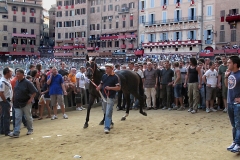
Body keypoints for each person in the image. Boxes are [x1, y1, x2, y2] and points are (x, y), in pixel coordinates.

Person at [9, 69, 38, 138]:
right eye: (16, 74)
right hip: (17, 103)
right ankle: (16, 132)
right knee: (17, 118)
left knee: (28, 117)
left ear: (22, 74)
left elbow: (34, 92)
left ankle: (30, 129)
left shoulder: (28, 82)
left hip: (26, 102)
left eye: (18, 74)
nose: (17, 75)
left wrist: (30, 99)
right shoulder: (16, 82)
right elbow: (15, 91)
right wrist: (13, 98)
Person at [96, 63, 120, 134]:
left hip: (111, 97)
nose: (106, 69)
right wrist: (99, 87)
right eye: (106, 68)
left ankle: (107, 127)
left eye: (107, 68)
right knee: (105, 111)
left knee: (108, 112)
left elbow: (118, 88)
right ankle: (110, 123)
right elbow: (102, 83)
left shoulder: (115, 77)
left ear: (111, 68)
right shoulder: (104, 76)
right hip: (104, 96)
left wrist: (110, 88)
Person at [225, 56, 240, 153]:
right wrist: (226, 76)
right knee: (234, 125)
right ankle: (235, 142)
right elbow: (227, 86)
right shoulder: (230, 73)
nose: (227, 64)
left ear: (235, 64)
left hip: (237, 104)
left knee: (239, 125)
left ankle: (238, 144)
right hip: (230, 102)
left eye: (229, 62)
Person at [0, 67, 13, 136]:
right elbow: (1, 92)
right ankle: (7, 131)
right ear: (7, 72)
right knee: (6, 116)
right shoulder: (3, 81)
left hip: (5, 99)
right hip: (5, 100)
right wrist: (5, 101)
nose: (12, 73)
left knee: (3, 115)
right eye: (11, 72)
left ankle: (2, 130)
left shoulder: (6, 80)